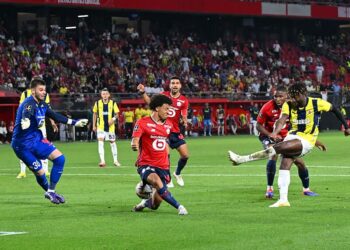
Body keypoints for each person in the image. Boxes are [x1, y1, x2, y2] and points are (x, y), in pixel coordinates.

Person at [228, 83, 350, 207]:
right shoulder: (288, 104)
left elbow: (335, 109)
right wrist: (274, 133)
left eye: (295, 96)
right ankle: (283, 200)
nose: (293, 99)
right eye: (291, 96)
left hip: (306, 141)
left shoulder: (316, 103)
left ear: (303, 94)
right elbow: (281, 120)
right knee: (285, 164)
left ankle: (241, 159)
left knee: (277, 149)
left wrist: (346, 127)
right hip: (291, 137)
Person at [11, 78, 88, 204]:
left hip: (36, 139)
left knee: (60, 159)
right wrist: (25, 121)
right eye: (40, 90)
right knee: (40, 171)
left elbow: (55, 116)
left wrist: (75, 123)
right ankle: (49, 191)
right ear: (33, 91)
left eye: (44, 90)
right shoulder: (28, 103)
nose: (43, 92)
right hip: (22, 145)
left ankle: (51, 191)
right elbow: (26, 112)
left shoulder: (42, 104)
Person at [256, 85, 321, 198]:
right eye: (275, 96)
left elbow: (302, 129)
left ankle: (306, 189)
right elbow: (258, 125)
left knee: (300, 163)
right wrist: (270, 134)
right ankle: (269, 189)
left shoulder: (293, 106)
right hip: (268, 136)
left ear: (287, 96)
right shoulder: (267, 107)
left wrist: (315, 142)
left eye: (280, 96)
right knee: (273, 155)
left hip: (286, 138)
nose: (277, 99)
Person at [131, 94, 188, 215]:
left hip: (163, 166)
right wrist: (134, 145)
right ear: (157, 108)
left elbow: (165, 144)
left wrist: (167, 163)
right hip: (146, 164)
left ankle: (145, 203)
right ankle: (179, 207)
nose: (169, 112)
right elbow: (136, 139)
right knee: (156, 181)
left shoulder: (169, 125)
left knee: (155, 204)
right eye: (166, 108)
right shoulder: (142, 122)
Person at [137, 76, 189, 187]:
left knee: (185, 155)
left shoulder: (184, 100)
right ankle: (167, 178)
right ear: (169, 85)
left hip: (174, 131)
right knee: (165, 154)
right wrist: (143, 93)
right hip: (161, 130)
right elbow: (151, 103)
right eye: (173, 83)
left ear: (180, 86)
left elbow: (184, 114)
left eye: (177, 83)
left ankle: (177, 173)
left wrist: (184, 120)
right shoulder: (163, 95)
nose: (175, 85)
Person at [16, 84, 58, 179]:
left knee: (45, 145)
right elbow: (20, 108)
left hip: (40, 125)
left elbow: (48, 110)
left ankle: (45, 169)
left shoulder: (45, 95)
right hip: (27, 126)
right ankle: (22, 172)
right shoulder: (25, 94)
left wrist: (52, 122)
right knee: (23, 145)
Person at [92, 88, 121, 167]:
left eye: (106, 94)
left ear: (109, 95)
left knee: (112, 142)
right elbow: (94, 114)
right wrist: (93, 125)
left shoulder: (113, 103)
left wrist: (113, 119)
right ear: (101, 95)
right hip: (100, 126)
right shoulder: (97, 103)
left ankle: (115, 161)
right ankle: (102, 161)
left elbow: (117, 114)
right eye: (103, 94)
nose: (105, 95)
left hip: (110, 127)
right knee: (100, 142)